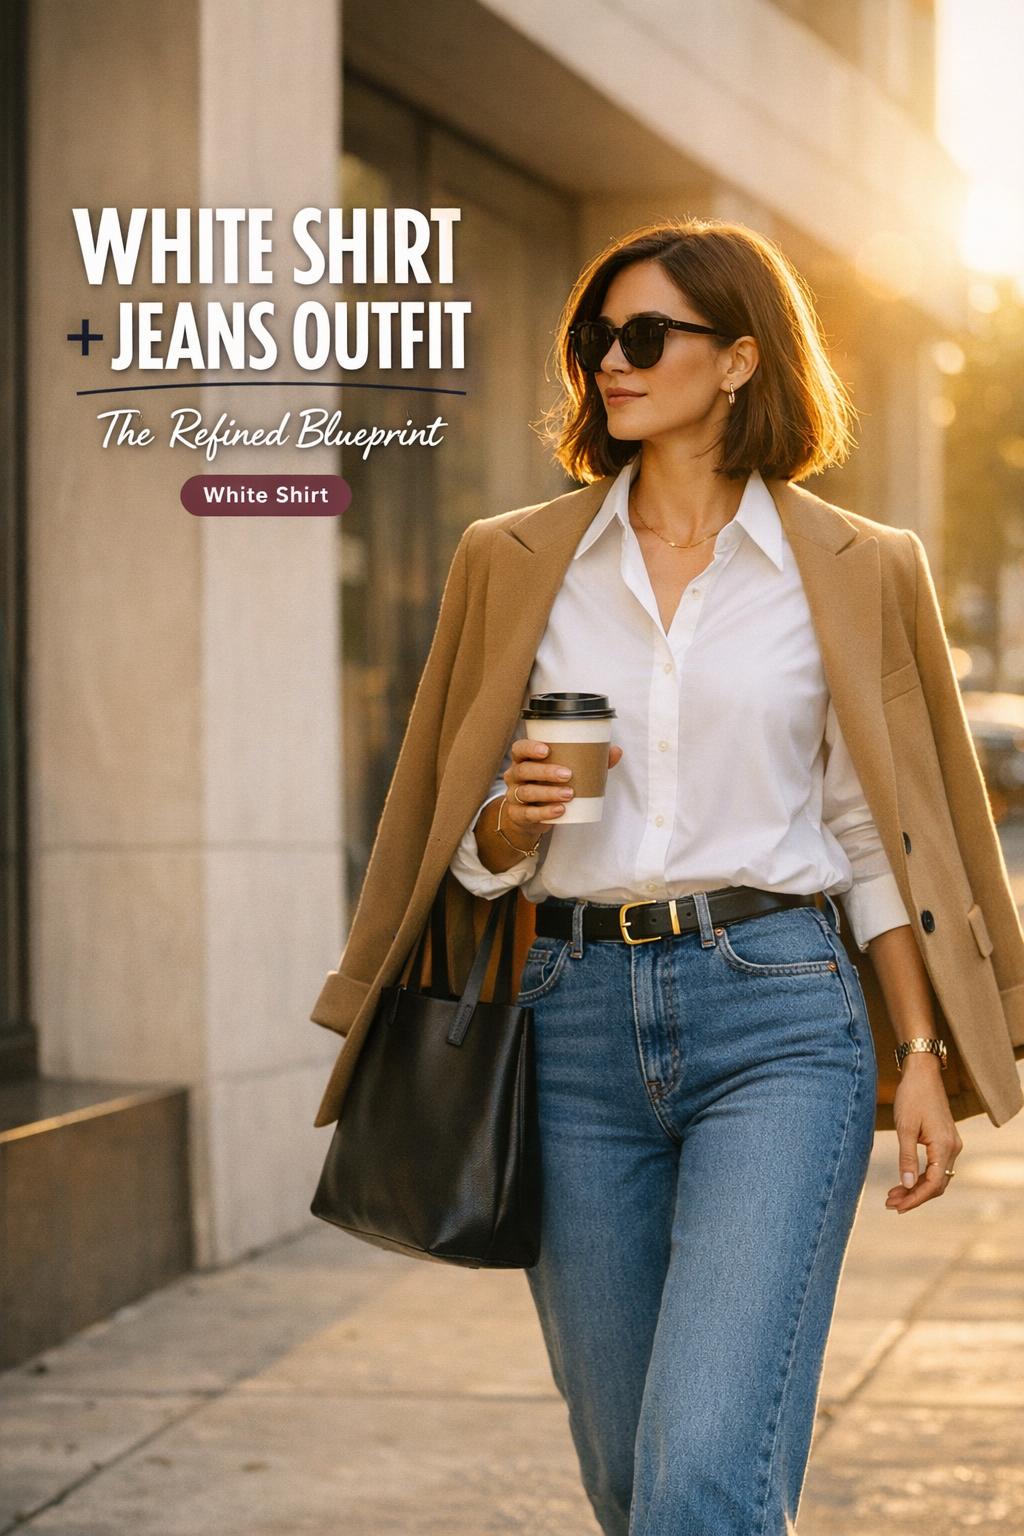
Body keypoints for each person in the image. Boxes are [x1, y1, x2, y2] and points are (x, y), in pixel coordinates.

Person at [309, 217, 1024, 1534]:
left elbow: (882, 838)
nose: (610, 363)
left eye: (646, 337)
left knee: (703, 1478)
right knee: (637, 1481)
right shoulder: (511, 560)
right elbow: (445, 831)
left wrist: (920, 1048)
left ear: (742, 359)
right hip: (569, 1021)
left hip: (781, 1015)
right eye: (595, 339)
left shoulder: (862, 569)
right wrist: (508, 831)